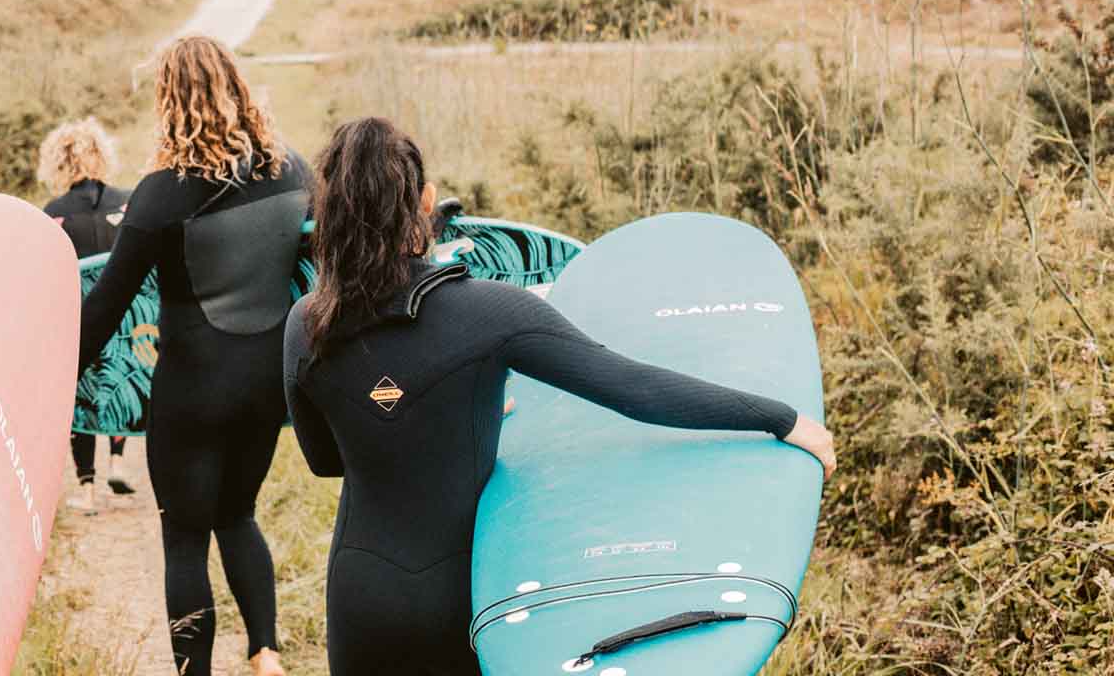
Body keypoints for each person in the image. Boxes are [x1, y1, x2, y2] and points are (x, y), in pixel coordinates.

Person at [283, 118, 837, 676]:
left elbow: (326, 460)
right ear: (426, 203)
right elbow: (636, 389)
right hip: (469, 597)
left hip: (361, 596)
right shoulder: (490, 313)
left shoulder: (305, 325)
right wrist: (782, 418)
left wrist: (436, 408)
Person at [79, 36, 309, 676]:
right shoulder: (292, 171)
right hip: (266, 384)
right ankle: (266, 653)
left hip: (192, 389)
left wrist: (52, 378)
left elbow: (106, 307)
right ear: (237, 86)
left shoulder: (160, 194)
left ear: (168, 99)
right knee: (238, 514)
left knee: (184, 537)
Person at [37, 117, 136, 511]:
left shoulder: (53, 213)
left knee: (82, 390)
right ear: (102, 155)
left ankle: (88, 489)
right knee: (118, 372)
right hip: (129, 325)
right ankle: (117, 462)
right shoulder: (129, 203)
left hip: (78, 326)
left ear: (58, 162)